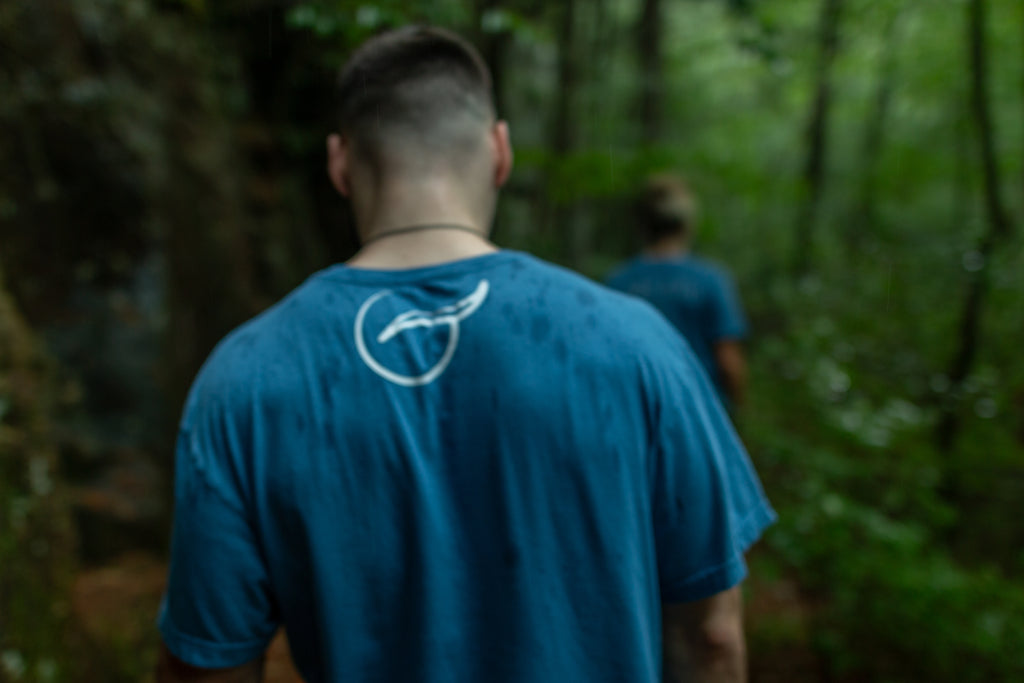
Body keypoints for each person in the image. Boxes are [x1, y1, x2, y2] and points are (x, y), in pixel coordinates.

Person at [156, 26, 774, 683]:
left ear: (339, 163)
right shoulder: (639, 344)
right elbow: (711, 637)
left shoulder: (244, 378)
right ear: (501, 151)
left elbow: (207, 668)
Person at [606, 176, 749, 409]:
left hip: (637, 410)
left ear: (642, 224)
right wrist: (737, 411)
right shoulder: (710, 280)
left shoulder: (619, 281)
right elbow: (729, 360)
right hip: (699, 410)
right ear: (687, 224)